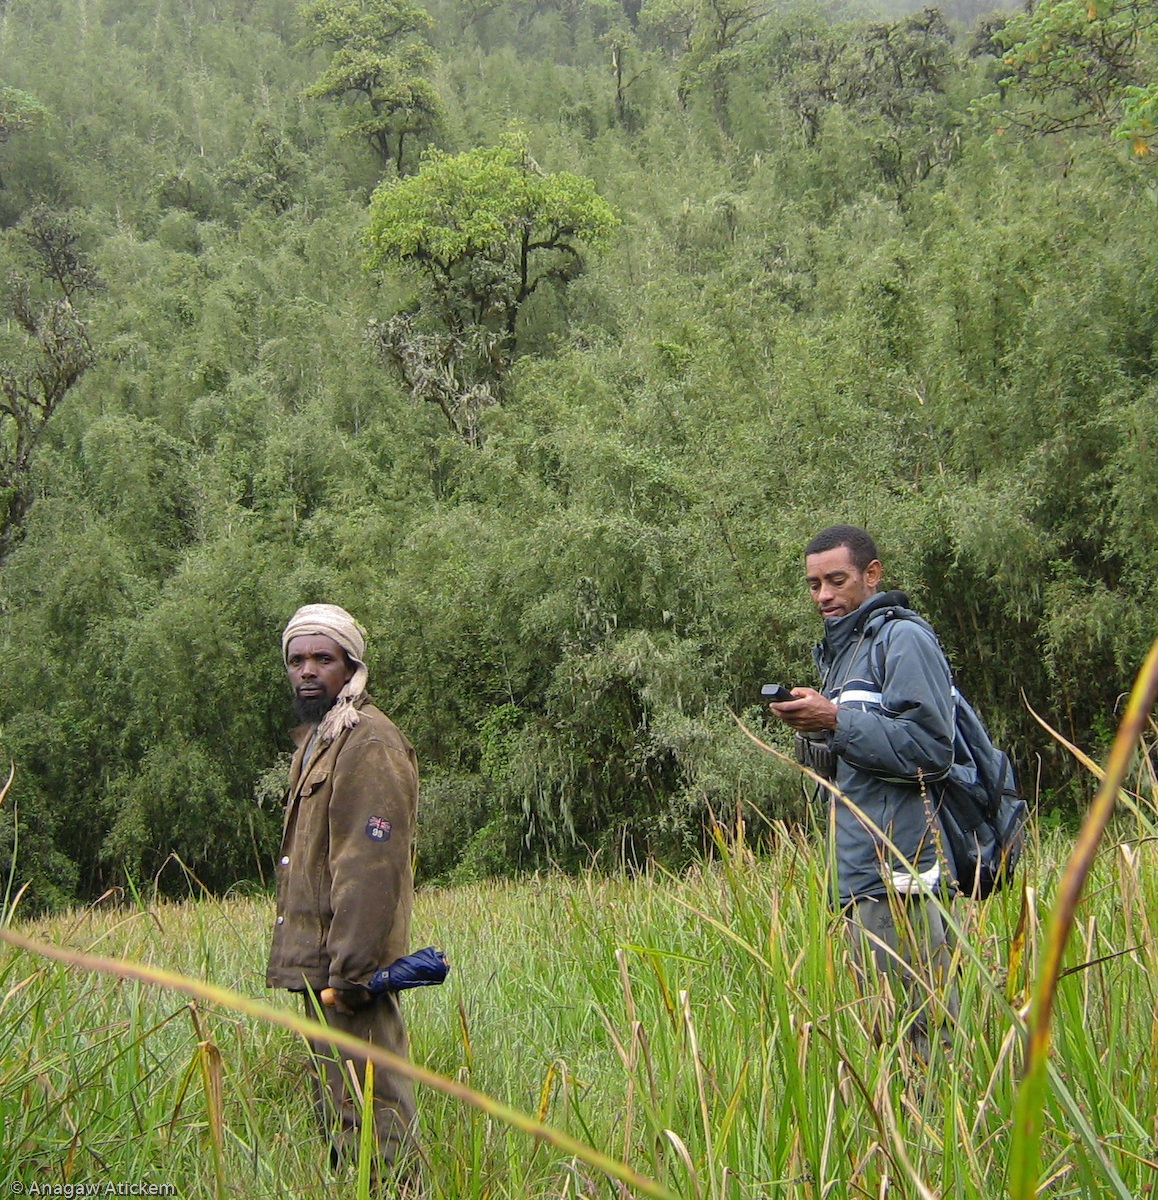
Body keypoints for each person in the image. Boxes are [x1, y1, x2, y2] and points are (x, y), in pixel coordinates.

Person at [768, 525, 958, 1058]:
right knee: (885, 1030)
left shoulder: (903, 639)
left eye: (835, 580)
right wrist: (818, 726)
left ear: (871, 575)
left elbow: (930, 752)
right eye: (812, 585)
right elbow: (854, 765)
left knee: (924, 1028)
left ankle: (941, 1137)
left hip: (904, 872)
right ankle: (899, 1134)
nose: (823, 596)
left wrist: (836, 717)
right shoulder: (843, 653)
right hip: (857, 872)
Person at [266, 602, 420, 1179]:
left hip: (348, 970)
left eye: (322, 658)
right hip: (319, 963)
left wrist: (351, 973)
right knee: (338, 1111)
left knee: (375, 1114)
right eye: (297, 659)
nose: (307, 670)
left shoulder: (369, 741)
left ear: (350, 664)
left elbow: (371, 864)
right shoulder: (316, 741)